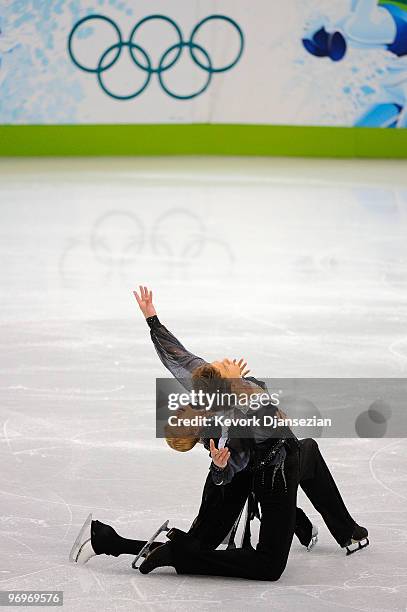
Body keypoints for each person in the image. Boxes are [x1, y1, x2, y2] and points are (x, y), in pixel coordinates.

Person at [70, 286, 368, 579]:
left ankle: (335, 529)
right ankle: (133, 546)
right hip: (271, 476)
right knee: (266, 565)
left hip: (284, 459)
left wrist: (153, 321)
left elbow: (180, 358)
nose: (225, 362)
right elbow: (244, 448)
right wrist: (223, 458)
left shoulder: (208, 383)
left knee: (309, 450)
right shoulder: (226, 418)